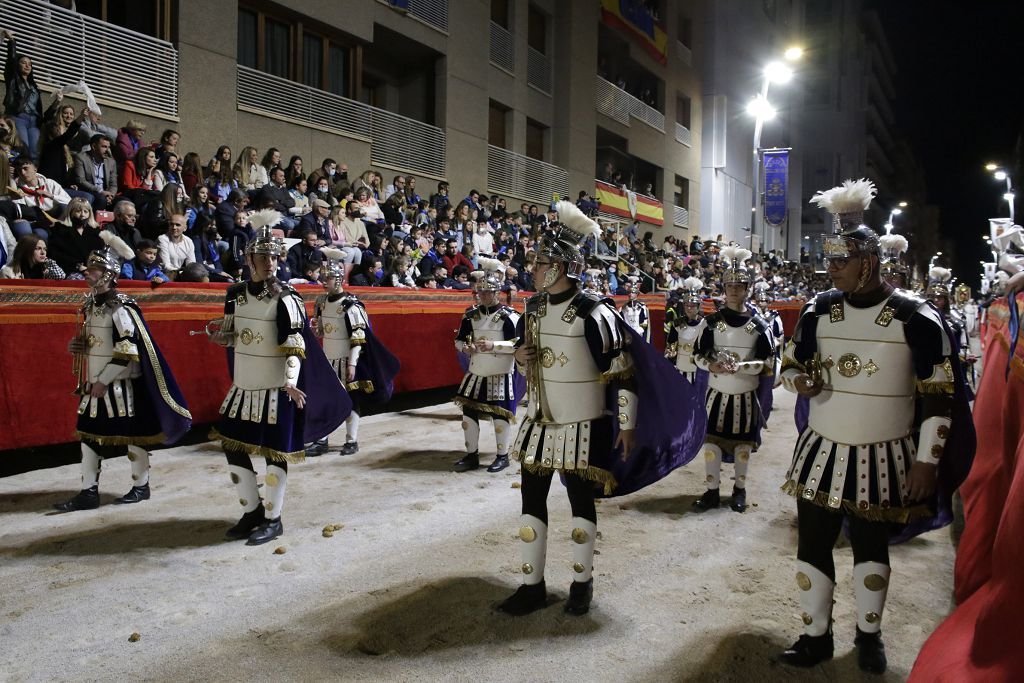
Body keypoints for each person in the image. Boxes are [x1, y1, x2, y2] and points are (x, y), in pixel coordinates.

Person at [778, 179, 975, 674]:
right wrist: (797, 379)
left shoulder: (917, 317)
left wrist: (928, 462)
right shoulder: (819, 309)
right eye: (829, 260)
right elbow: (788, 365)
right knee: (812, 542)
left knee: (870, 546)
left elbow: (939, 396)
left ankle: (869, 636)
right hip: (821, 449)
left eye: (839, 260)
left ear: (867, 261)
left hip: (883, 455)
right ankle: (814, 635)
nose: (830, 268)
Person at [499, 201, 706, 617]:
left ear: (560, 265)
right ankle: (531, 584)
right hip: (539, 421)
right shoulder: (532, 308)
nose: (533, 269)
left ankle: (581, 582)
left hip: (581, 425)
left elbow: (623, 374)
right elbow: (526, 354)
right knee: (531, 502)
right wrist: (520, 357)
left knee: (580, 500)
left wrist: (626, 426)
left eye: (541, 262)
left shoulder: (597, 312)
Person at [206, 210, 350, 545]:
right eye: (264, 257)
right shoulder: (234, 294)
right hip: (243, 386)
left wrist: (290, 382)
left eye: (275, 257)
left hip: (277, 388)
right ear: (249, 257)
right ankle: (252, 511)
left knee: (274, 453)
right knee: (232, 446)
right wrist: (220, 338)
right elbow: (233, 334)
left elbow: (295, 344)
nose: (271, 263)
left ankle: (273, 519)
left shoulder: (287, 298)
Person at [55, 230, 191, 511]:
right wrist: (77, 346)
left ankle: (141, 486)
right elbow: (97, 342)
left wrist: (104, 380)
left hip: (121, 386)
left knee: (134, 436)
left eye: (94, 270)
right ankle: (88, 491)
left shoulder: (121, 307)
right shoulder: (90, 304)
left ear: (108, 274)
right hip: (94, 383)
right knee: (88, 435)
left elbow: (128, 350)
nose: (87, 273)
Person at [691, 245, 774, 514]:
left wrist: (742, 366)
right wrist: (711, 364)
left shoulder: (759, 325)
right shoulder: (712, 322)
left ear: (748, 288)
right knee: (712, 445)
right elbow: (697, 355)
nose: (735, 290)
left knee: (742, 448)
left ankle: (739, 490)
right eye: (731, 286)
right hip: (716, 395)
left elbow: (769, 362)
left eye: (740, 286)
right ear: (724, 289)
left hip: (746, 397)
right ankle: (712, 491)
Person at [306, 248, 399, 456]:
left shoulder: (351, 305)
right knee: (324, 399)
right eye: (322, 277)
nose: (323, 281)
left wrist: (352, 364)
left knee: (350, 401)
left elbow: (358, 338)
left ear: (338, 280)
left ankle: (351, 439)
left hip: (345, 359)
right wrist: (316, 330)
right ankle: (322, 440)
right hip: (326, 359)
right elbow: (322, 330)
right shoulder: (321, 302)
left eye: (327, 278)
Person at [452, 258, 521, 473]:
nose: (482, 296)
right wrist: (466, 348)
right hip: (476, 372)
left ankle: (502, 456)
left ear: (496, 293)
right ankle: (471, 455)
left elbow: (517, 344)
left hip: (500, 373)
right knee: (468, 414)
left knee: (500, 416)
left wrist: (493, 345)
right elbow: (459, 340)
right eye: (479, 292)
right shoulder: (470, 315)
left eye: (486, 292)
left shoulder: (509, 316)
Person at [2, 30, 42, 159]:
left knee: (35, 151)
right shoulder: (13, 79)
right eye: (23, 62)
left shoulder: (34, 86)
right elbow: (11, 60)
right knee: (22, 148)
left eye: (30, 64)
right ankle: (21, 174)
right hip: (19, 117)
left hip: (33, 120)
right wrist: (11, 41)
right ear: (18, 65)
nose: (27, 65)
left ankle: (33, 175)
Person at [665, 277, 706, 386]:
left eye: (692, 306)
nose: (689, 308)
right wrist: (671, 351)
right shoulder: (677, 324)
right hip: (680, 366)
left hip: (698, 370)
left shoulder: (704, 324)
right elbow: (671, 342)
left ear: (698, 307)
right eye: (686, 305)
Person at [73, 134, 117, 210]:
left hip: (106, 193)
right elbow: (81, 180)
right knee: (101, 199)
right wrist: (100, 191)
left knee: (124, 201)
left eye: (108, 147)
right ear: (94, 146)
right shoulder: (81, 158)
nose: (107, 150)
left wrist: (111, 195)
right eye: (104, 147)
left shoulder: (111, 162)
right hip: (90, 191)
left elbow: (113, 184)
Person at [0, 234, 64, 279]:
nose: (43, 252)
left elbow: (61, 276)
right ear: (26, 250)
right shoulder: (7, 272)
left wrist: (49, 262)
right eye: (38, 248)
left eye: (45, 249)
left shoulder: (46, 271)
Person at [156, 214, 195, 279]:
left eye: (178, 225)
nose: (174, 227)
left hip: (178, 275)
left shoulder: (189, 241)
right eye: (171, 224)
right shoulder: (162, 239)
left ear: (185, 228)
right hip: (161, 275)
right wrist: (181, 272)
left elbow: (191, 265)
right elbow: (166, 266)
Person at [618, 275, 650, 342]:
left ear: (637, 294)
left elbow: (644, 322)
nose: (630, 294)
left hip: (639, 334)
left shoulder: (642, 307)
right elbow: (621, 321)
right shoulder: (623, 307)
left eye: (633, 293)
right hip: (627, 336)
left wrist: (638, 331)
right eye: (629, 292)